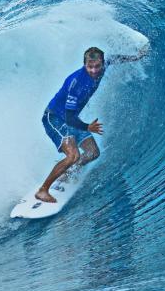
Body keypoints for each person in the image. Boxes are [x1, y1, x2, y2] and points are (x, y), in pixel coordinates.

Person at [36, 43, 149, 203]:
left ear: (102, 63)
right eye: (90, 67)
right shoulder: (76, 83)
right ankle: (43, 190)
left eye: (97, 66)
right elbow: (68, 118)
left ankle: (67, 171)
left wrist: (136, 56)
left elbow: (115, 59)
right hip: (54, 118)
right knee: (73, 155)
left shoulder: (103, 66)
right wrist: (88, 127)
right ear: (84, 65)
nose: (94, 71)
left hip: (71, 120)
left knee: (93, 153)